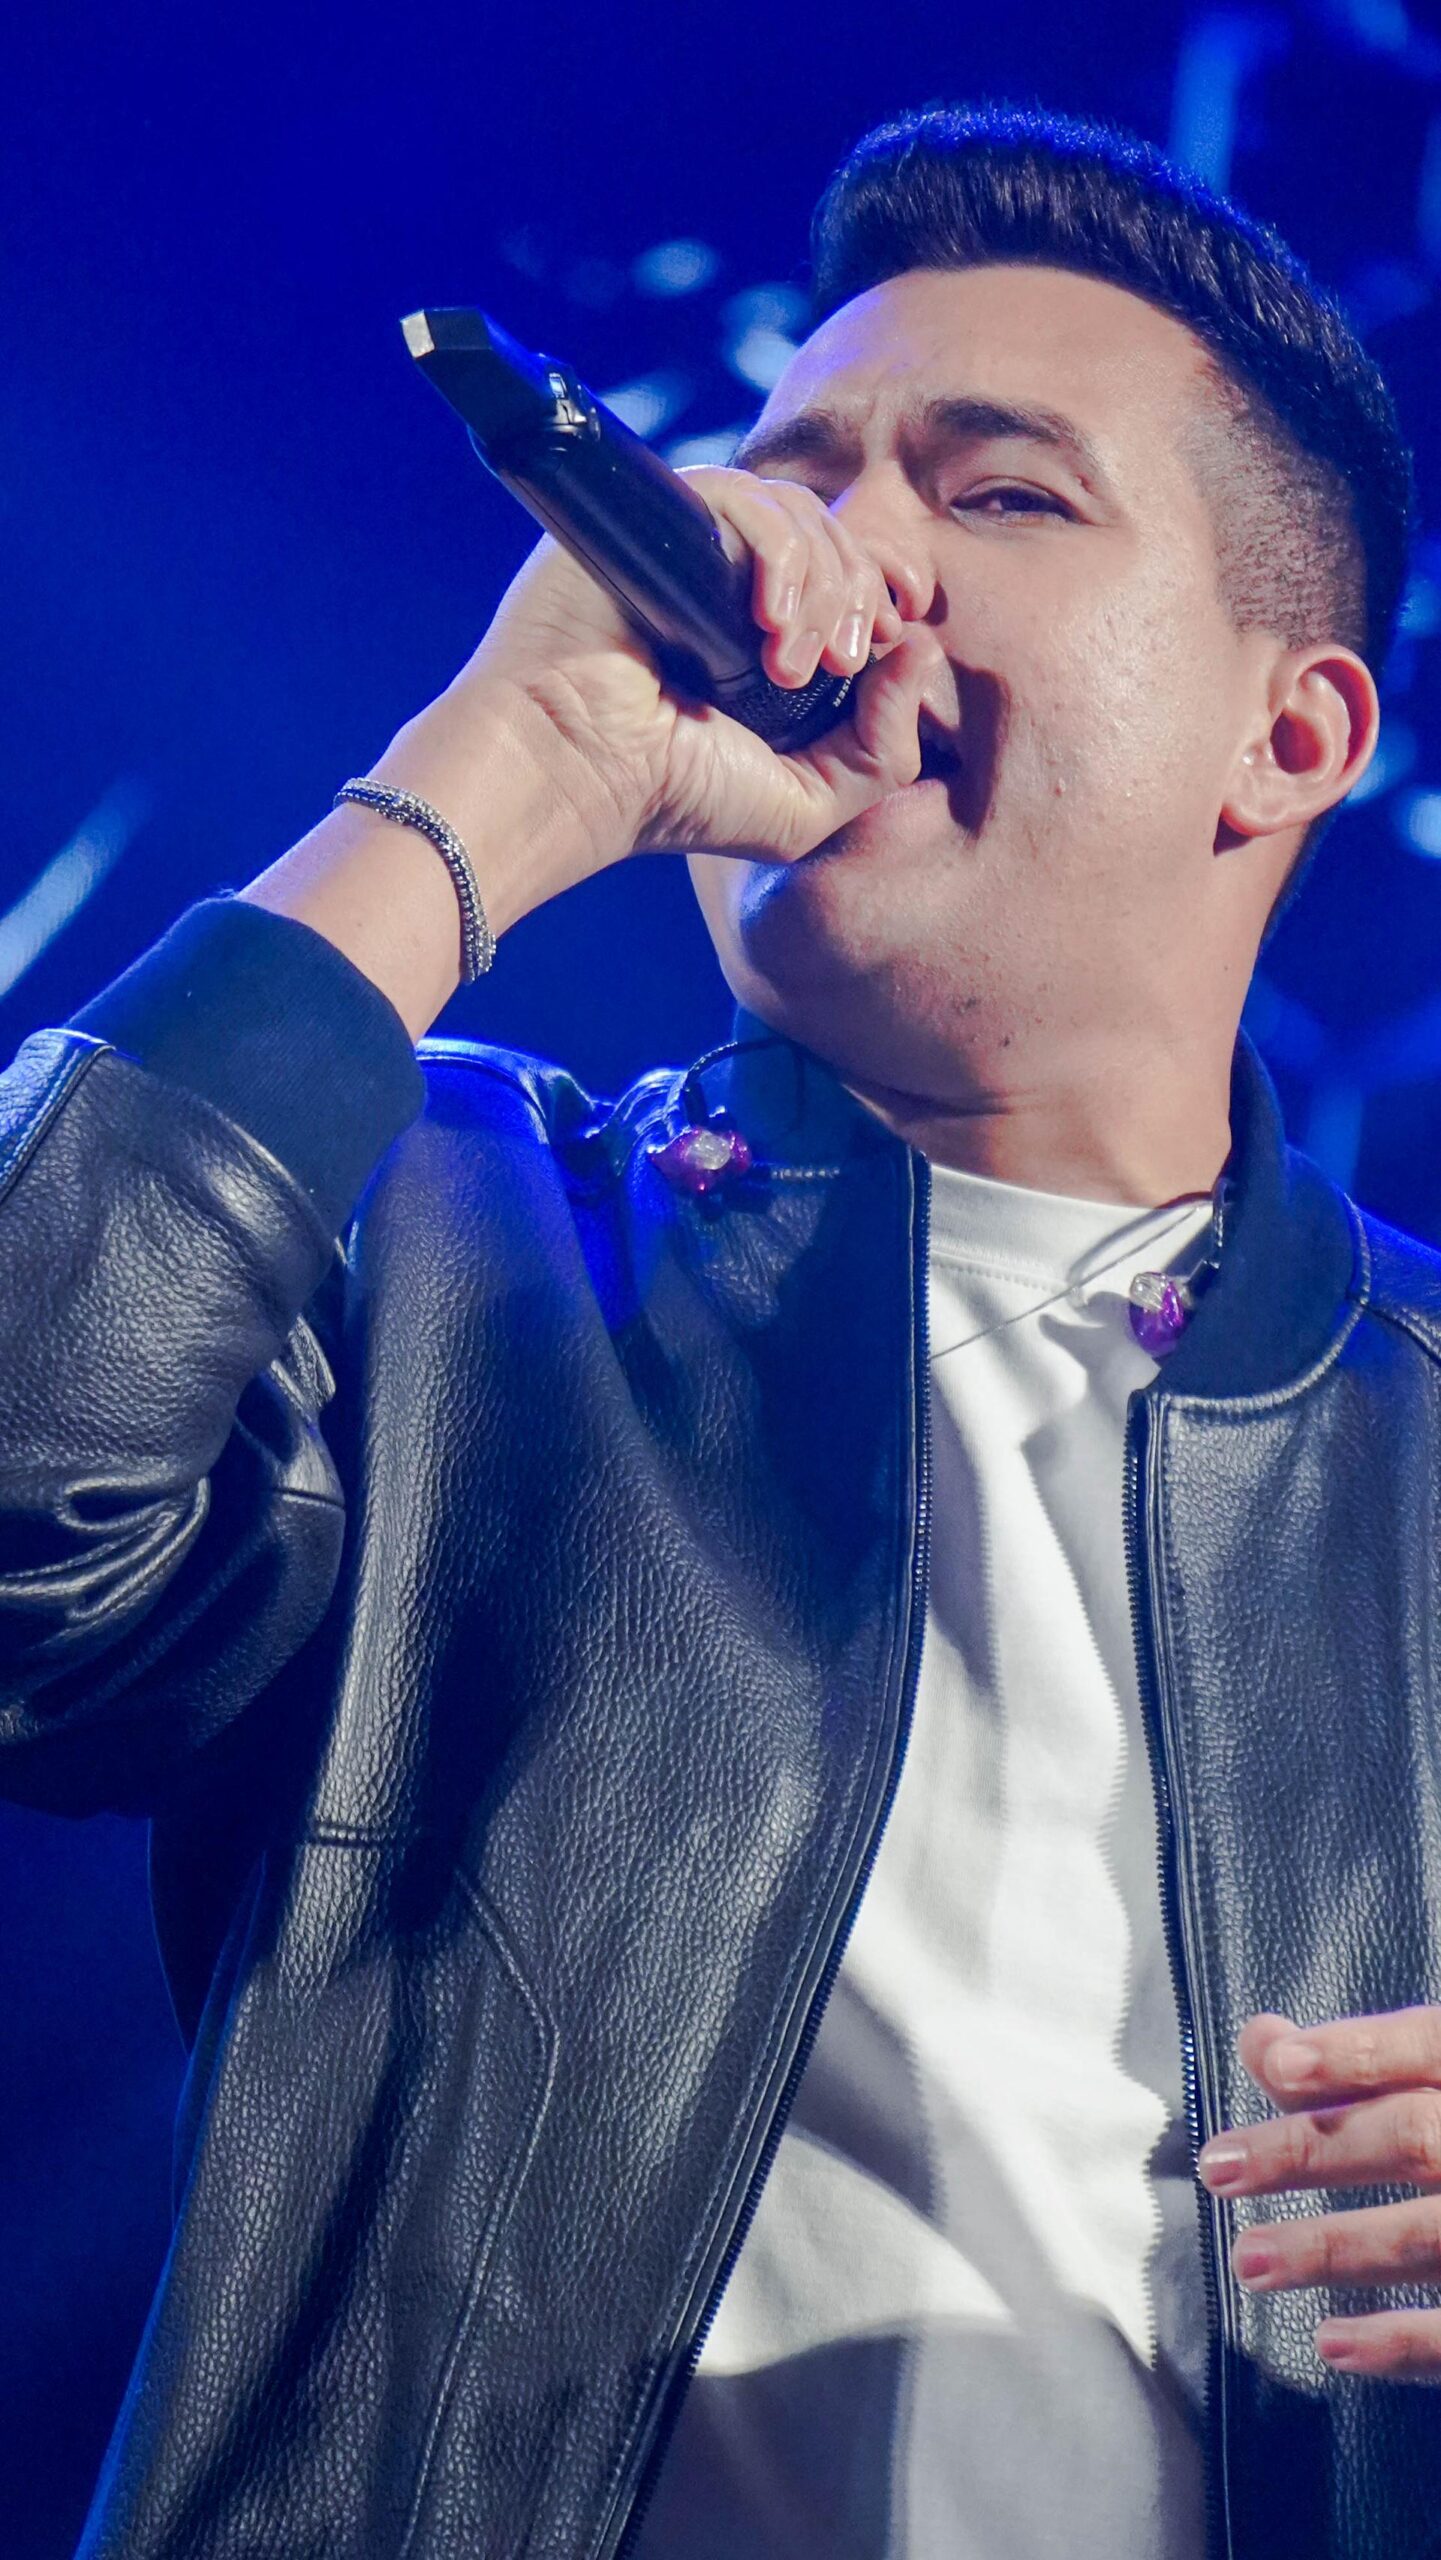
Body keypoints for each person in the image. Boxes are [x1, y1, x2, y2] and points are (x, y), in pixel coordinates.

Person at [1, 96, 1438, 2560]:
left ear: (1287, 734)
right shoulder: (436, 1237)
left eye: (999, 492)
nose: (839, 564)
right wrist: (503, 766)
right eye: (793, 477)